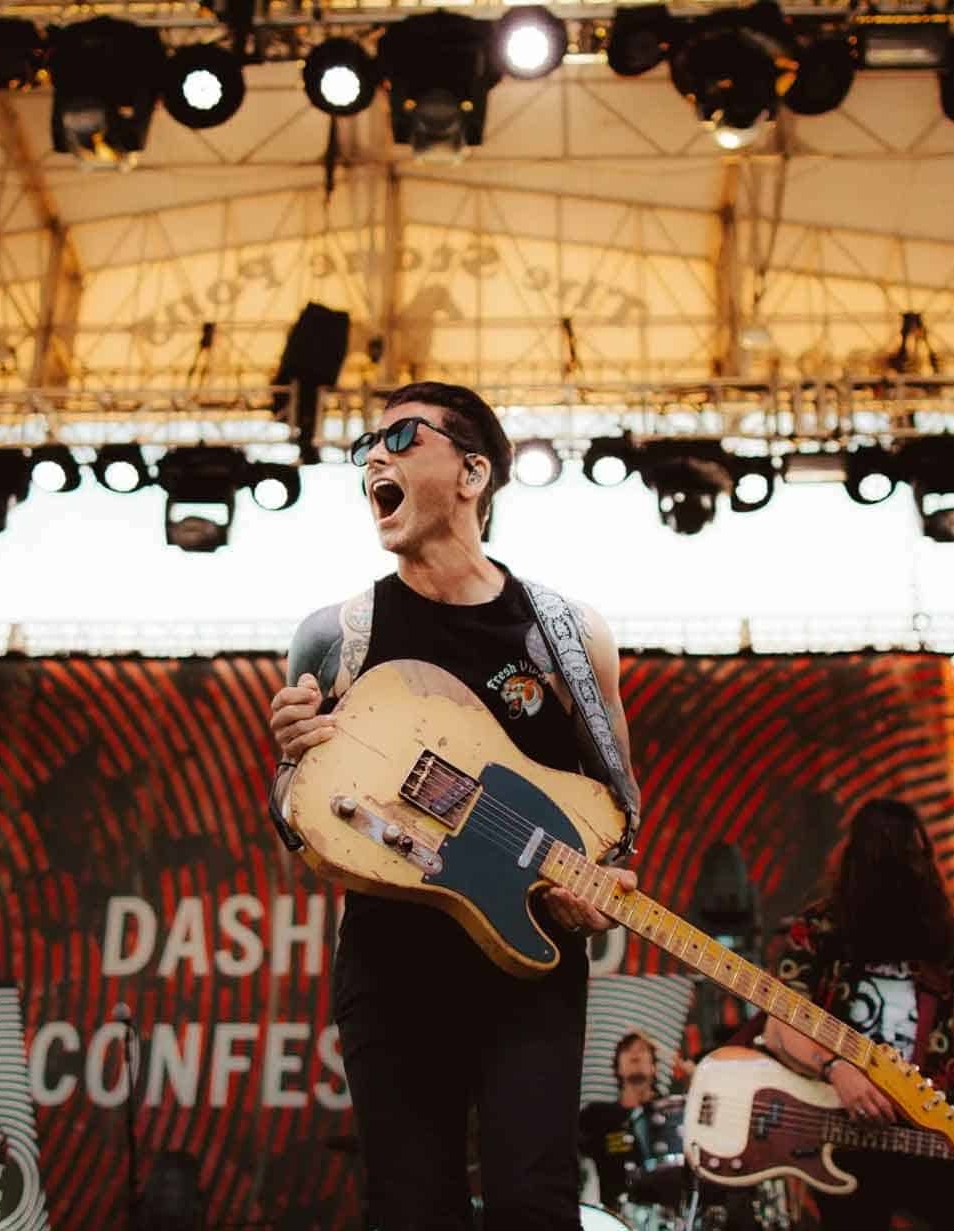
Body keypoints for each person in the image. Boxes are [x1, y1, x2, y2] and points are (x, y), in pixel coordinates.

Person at [268, 381, 641, 1231]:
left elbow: (620, 809)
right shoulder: (336, 634)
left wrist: (598, 884)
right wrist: (292, 763)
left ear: (473, 471)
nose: (375, 457)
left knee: (533, 1204)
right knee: (410, 1206)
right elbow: (295, 814)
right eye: (367, 445)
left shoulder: (566, 635)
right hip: (392, 959)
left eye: (401, 436)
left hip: (531, 964)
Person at [761, 798, 954, 1231]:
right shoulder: (819, 930)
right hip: (845, 1134)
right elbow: (780, 1026)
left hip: (930, 1132)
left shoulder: (952, 937)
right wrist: (836, 1069)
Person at [576, 1031, 692, 1210]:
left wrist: (696, 1083)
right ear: (617, 1068)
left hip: (669, 1212)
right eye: (627, 1050)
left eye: (642, 1049)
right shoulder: (596, 1116)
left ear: (654, 1067)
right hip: (614, 1216)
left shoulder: (672, 1113)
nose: (635, 1054)